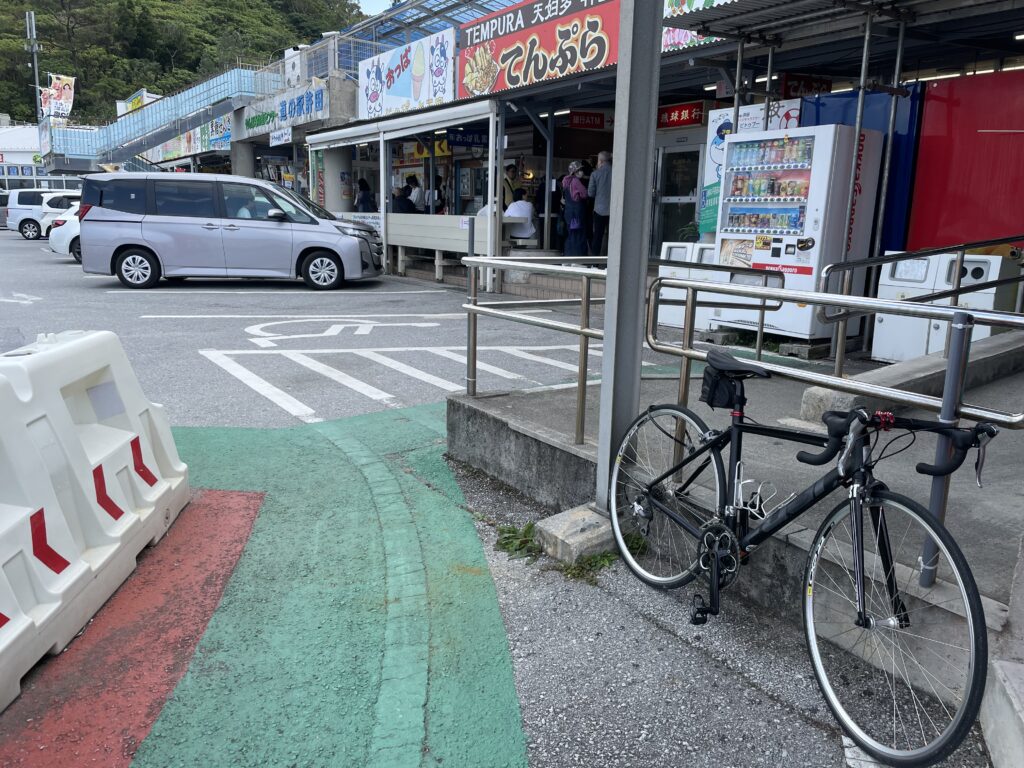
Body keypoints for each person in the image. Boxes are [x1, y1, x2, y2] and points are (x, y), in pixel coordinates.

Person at [562, 161, 589, 256]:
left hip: (569, 213)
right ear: (575, 171)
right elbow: (585, 193)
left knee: (570, 235)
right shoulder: (576, 181)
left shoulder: (566, 181)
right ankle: (577, 258)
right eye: (580, 170)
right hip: (577, 213)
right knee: (578, 236)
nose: (582, 172)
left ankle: (568, 256)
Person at [588, 150, 612, 255]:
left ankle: (594, 263)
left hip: (599, 210)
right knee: (613, 238)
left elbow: (590, 193)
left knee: (597, 236)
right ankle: (611, 262)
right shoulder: (617, 172)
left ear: (600, 161)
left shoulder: (595, 174)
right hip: (614, 210)